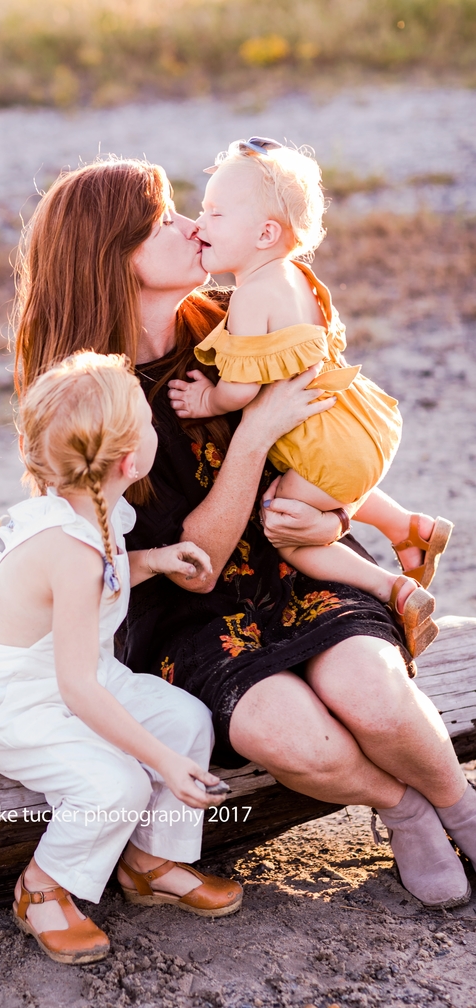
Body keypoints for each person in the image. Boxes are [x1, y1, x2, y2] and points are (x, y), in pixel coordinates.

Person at [14, 156, 476, 911]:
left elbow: (330, 446)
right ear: (113, 259)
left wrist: (332, 513)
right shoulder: (88, 402)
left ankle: (459, 802)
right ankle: (405, 807)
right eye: (165, 222)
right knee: (288, 732)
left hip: (296, 559)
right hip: (185, 611)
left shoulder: (238, 320)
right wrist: (254, 433)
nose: (194, 226)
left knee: (374, 694)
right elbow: (190, 566)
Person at [0, 351, 242, 966]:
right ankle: (42, 888)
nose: (152, 426)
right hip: (20, 702)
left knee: (187, 718)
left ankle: (148, 860)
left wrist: (153, 560)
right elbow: (79, 689)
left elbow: (98, 585)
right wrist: (160, 760)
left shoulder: (95, 513)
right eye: (147, 421)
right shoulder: (69, 547)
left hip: (79, 672)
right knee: (118, 782)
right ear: (130, 462)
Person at [167, 137, 452, 658]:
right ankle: (407, 527)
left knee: (285, 527)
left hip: (324, 444)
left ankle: (392, 588)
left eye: (214, 213)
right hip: (360, 418)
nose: (198, 224)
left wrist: (208, 401)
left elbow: (243, 388)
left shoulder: (252, 295)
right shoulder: (296, 274)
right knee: (330, 477)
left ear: (265, 233)